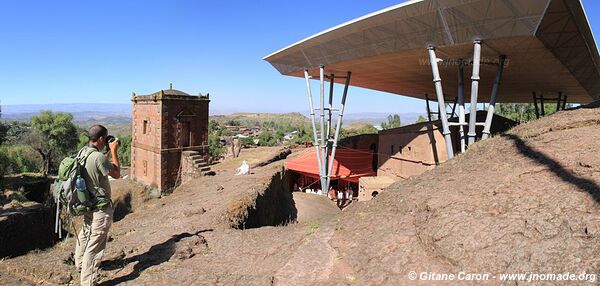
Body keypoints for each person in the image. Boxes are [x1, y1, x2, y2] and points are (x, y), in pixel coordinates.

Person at [74, 125, 121, 286]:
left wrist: (106, 154)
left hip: (87, 202)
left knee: (86, 234)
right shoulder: (99, 158)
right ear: (101, 139)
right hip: (100, 206)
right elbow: (116, 174)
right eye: (106, 138)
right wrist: (113, 151)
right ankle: (88, 281)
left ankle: (80, 264)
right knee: (95, 244)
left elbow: (96, 166)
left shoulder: (83, 152)